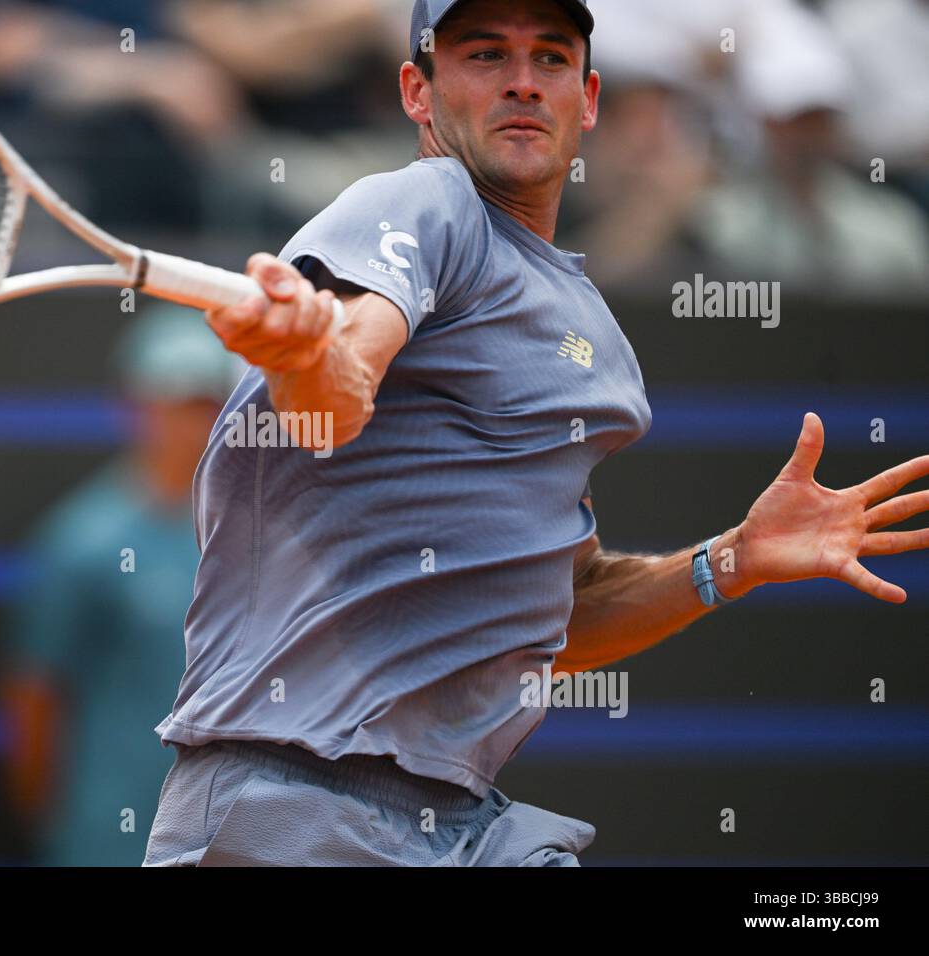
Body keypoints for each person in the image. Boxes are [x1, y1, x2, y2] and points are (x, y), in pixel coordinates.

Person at [142, 0, 929, 867]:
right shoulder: (425, 201)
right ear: (416, 90)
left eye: (550, 58)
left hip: (464, 825)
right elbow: (337, 392)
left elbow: (560, 615)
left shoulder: (586, 329)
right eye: (485, 54)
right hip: (295, 809)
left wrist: (730, 559)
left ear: (586, 97)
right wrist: (302, 354)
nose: (523, 80)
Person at [3, 304, 240, 866]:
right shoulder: (82, 542)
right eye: (176, 404)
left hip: (229, 844)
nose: (194, 423)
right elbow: (32, 699)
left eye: (206, 404)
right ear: (136, 408)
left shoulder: (252, 537)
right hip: (107, 843)